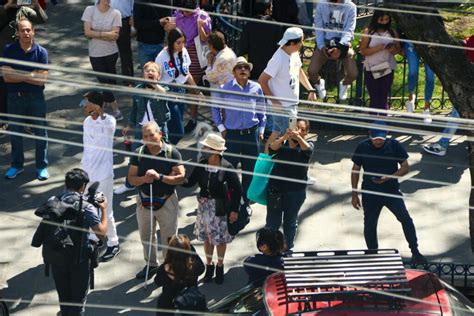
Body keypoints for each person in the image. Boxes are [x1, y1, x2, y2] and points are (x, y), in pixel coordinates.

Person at [351, 123, 427, 264]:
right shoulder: (363, 146)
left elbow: (405, 167)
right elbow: (355, 169)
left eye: (381, 138)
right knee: (370, 223)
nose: (378, 141)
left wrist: (388, 178)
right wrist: (354, 194)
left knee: (405, 218)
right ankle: (373, 253)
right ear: (370, 135)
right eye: (375, 138)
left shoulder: (394, 145)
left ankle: (415, 251)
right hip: (370, 191)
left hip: (391, 190)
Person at [181, 133, 242, 284]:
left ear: (214, 150)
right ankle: (209, 266)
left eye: (205, 147)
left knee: (220, 240)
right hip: (204, 206)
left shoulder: (227, 167)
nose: (202, 148)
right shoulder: (202, 164)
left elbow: (238, 190)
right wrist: (178, 177)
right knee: (207, 238)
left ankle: (220, 266)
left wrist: (234, 210)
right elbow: (190, 182)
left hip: (220, 208)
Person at [128, 121, 185, 279]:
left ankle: (169, 267)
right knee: (146, 235)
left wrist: (160, 177)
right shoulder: (139, 153)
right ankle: (151, 264)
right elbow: (131, 179)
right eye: (145, 136)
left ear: (160, 134)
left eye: (151, 134)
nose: (148, 138)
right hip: (144, 200)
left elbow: (181, 177)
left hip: (167, 201)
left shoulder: (172, 152)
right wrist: (144, 179)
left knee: (169, 237)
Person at [51, 168, 108, 316]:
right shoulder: (86, 207)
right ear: (82, 186)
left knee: (64, 299)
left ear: (66, 184)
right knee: (77, 303)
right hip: (79, 260)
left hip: (57, 259)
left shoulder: (53, 202)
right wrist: (103, 210)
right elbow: (101, 233)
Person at [212, 56, 266, 203]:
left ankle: (246, 201)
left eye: (246, 67)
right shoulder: (225, 88)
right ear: (234, 72)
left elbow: (262, 109)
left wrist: (261, 129)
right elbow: (215, 108)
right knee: (229, 169)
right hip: (232, 135)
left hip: (251, 134)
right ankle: (231, 200)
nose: (243, 70)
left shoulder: (256, 88)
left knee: (250, 170)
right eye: (239, 67)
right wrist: (221, 127)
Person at [114, 61, 170, 195]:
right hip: (141, 128)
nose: (150, 73)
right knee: (135, 157)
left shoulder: (163, 88)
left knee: (162, 157)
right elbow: (135, 109)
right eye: (147, 71)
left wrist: (155, 86)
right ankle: (129, 184)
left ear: (158, 75)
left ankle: (165, 184)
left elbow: (166, 96)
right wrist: (129, 125)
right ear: (143, 75)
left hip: (158, 128)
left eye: (153, 71)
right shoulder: (138, 89)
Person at [3, 18, 49, 180]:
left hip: (35, 98)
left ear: (33, 31)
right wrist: (31, 75)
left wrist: (18, 74)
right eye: (22, 30)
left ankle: (41, 166)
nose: (26, 33)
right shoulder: (8, 50)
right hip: (14, 98)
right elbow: (7, 77)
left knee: (40, 133)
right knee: (15, 133)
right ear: (18, 32)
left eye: (28, 29)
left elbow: (40, 80)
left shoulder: (41, 53)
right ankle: (17, 166)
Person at [258, 27, 316, 153]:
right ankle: (288, 162)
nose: (303, 44)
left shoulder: (294, 54)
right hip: (284, 106)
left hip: (290, 104)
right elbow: (262, 80)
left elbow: (299, 71)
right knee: (292, 137)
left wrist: (310, 89)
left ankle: (266, 159)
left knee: (276, 132)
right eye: (301, 41)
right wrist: (275, 102)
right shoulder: (278, 58)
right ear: (292, 43)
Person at [80, 91, 121, 262]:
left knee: (106, 209)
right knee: (89, 208)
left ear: (96, 105)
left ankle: (113, 242)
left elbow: (107, 123)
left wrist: (101, 110)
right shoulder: (87, 122)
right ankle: (94, 238)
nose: (83, 106)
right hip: (87, 173)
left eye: (86, 103)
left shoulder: (109, 121)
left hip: (103, 174)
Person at [163, 0, 212, 132]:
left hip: (194, 52)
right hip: (178, 50)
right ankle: (178, 117)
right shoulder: (177, 15)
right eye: (183, 10)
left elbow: (206, 39)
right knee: (178, 84)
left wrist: (201, 27)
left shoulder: (202, 16)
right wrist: (168, 27)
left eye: (187, 10)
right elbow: (170, 32)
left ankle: (193, 118)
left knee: (192, 87)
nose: (184, 12)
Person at [265, 119, 313, 251]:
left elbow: (308, 151)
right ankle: (271, 249)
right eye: (296, 128)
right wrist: (284, 137)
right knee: (272, 224)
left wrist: (298, 137)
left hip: (295, 192)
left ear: (306, 133)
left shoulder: (307, 144)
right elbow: (270, 149)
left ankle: (288, 249)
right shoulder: (283, 142)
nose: (298, 131)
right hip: (276, 190)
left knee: (290, 223)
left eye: (302, 130)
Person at [0, 0, 47, 130]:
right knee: (3, 90)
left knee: (28, 87)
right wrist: (6, 7)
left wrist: (36, 4)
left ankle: (29, 121)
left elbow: (42, 19)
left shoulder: (24, 10)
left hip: (24, 54)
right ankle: (4, 120)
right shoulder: (4, 9)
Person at [155, 27, 202, 145]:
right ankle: (165, 148)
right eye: (178, 42)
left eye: (183, 42)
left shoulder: (184, 51)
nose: (182, 45)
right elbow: (155, 78)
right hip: (168, 93)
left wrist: (198, 91)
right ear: (171, 42)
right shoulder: (161, 57)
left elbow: (187, 74)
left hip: (181, 91)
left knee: (174, 126)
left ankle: (166, 150)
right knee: (178, 131)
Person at [307, 0, 357, 101]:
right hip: (326, 42)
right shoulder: (321, 4)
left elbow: (349, 30)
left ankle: (344, 84)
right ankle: (318, 83)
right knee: (311, 71)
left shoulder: (351, 6)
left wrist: (340, 47)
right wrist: (321, 46)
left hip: (343, 44)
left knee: (353, 73)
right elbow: (318, 27)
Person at [82, 0, 123, 121]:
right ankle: (115, 108)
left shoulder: (116, 13)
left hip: (111, 52)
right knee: (104, 81)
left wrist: (96, 33)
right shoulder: (89, 10)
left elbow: (115, 35)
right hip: (95, 53)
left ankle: (101, 107)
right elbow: (87, 32)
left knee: (109, 81)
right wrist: (106, 34)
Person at [359, 11, 400, 111]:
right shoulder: (368, 32)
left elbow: (398, 50)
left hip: (387, 67)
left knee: (383, 97)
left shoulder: (392, 32)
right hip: (371, 67)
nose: (384, 22)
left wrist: (392, 49)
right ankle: (373, 122)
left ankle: (382, 121)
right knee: (374, 97)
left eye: (386, 20)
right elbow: (363, 50)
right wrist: (377, 49)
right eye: (382, 20)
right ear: (376, 19)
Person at [154, 234, 205, 315]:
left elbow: (157, 282)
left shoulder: (164, 269)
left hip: (168, 304)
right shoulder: (195, 266)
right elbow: (202, 268)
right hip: (189, 302)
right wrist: (188, 246)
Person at [238, 0, 283, 80]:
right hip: (271, 72)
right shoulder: (276, 26)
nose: (272, 9)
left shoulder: (249, 25)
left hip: (254, 70)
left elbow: (242, 48)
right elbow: (280, 49)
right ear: (266, 10)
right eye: (271, 7)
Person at [404, 41, 434, 124]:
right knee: (412, 73)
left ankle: (426, 108)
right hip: (411, 44)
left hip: (429, 45)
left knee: (430, 77)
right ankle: (410, 99)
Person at [133, 0, 170, 67]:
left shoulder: (166, 1)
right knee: (147, 74)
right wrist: (158, 22)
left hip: (161, 43)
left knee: (162, 74)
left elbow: (167, 20)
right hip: (144, 43)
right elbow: (138, 24)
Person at [111, 0, 134, 83]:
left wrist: (133, 15)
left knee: (125, 51)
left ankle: (128, 79)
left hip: (124, 20)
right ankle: (110, 80)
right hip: (106, 20)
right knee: (108, 52)